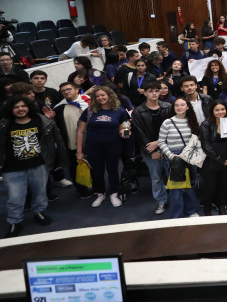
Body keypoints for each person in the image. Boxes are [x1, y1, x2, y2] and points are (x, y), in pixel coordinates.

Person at [0, 97, 65, 238]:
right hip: (12, 168)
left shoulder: (41, 120)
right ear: (11, 110)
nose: (20, 109)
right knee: (15, 197)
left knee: (40, 192)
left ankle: (39, 212)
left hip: (39, 165)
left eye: (23, 106)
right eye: (16, 107)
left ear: (29, 107)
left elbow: (56, 138)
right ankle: (14, 221)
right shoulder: (5, 124)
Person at [76, 86, 131, 209]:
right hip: (93, 147)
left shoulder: (120, 110)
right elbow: (80, 131)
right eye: (98, 96)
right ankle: (100, 193)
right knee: (96, 171)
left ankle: (114, 194)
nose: (101, 98)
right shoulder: (89, 111)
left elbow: (127, 124)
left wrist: (125, 133)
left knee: (112, 170)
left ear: (110, 95)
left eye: (103, 95)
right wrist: (79, 151)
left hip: (113, 145)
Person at [131, 82, 172, 215]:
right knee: (156, 178)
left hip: (169, 147)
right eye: (150, 91)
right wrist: (153, 150)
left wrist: (159, 143)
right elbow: (139, 134)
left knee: (174, 174)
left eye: (156, 91)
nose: (154, 93)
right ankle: (161, 201)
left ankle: (177, 199)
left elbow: (173, 128)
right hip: (149, 150)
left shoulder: (168, 107)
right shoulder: (138, 111)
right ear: (145, 93)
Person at [157, 97, 200, 218]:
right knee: (176, 188)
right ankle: (175, 215)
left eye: (182, 105)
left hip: (189, 156)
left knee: (190, 185)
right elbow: (161, 142)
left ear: (187, 107)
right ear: (174, 107)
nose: (179, 107)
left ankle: (190, 211)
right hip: (173, 157)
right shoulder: (167, 122)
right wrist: (170, 155)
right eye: (177, 105)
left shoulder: (191, 121)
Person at [198, 100, 227, 215]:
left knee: (223, 186)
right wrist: (219, 159)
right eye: (217, 110)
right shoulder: (206, 124)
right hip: (210, 161)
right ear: (212, 111)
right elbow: (206, 145)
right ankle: (207, 210)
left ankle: (222, 206)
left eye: (223, 109)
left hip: (226, 162)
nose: (220, 112)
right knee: (210, 187)